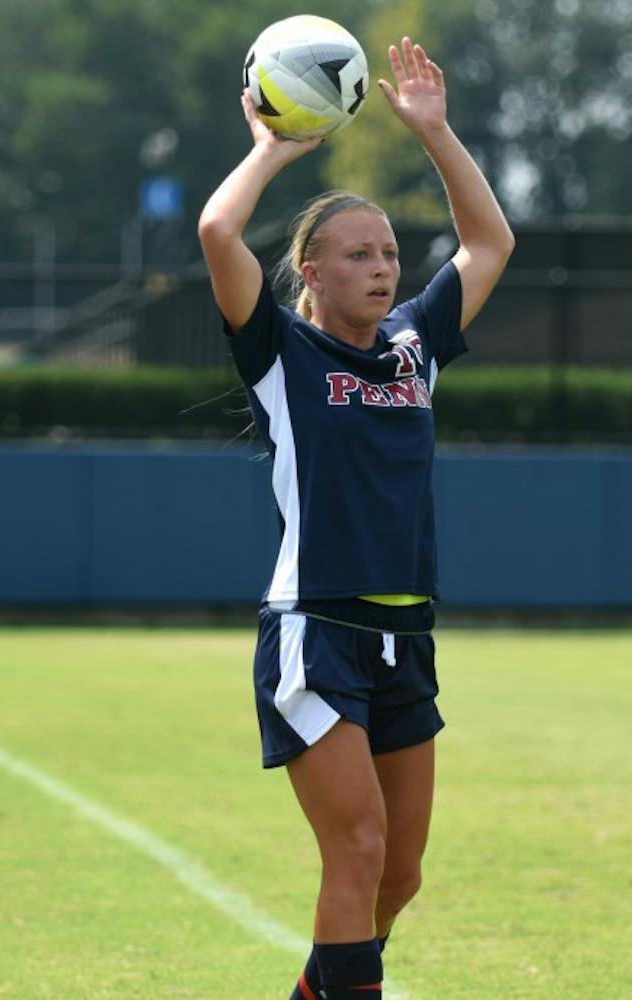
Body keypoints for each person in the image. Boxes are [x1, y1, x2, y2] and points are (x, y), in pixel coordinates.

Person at [197, 34, 513, 1000]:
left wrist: (436, 132)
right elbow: (217, 233)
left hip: (403, 633)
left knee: (399, 877)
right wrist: (274, 149)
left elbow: (490, 243)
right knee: (360, 847)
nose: (382, 269)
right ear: (314, 274)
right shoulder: (283, 354)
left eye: (387, 254)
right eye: (358, 256)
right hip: (315, 629)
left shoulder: (415, 347)